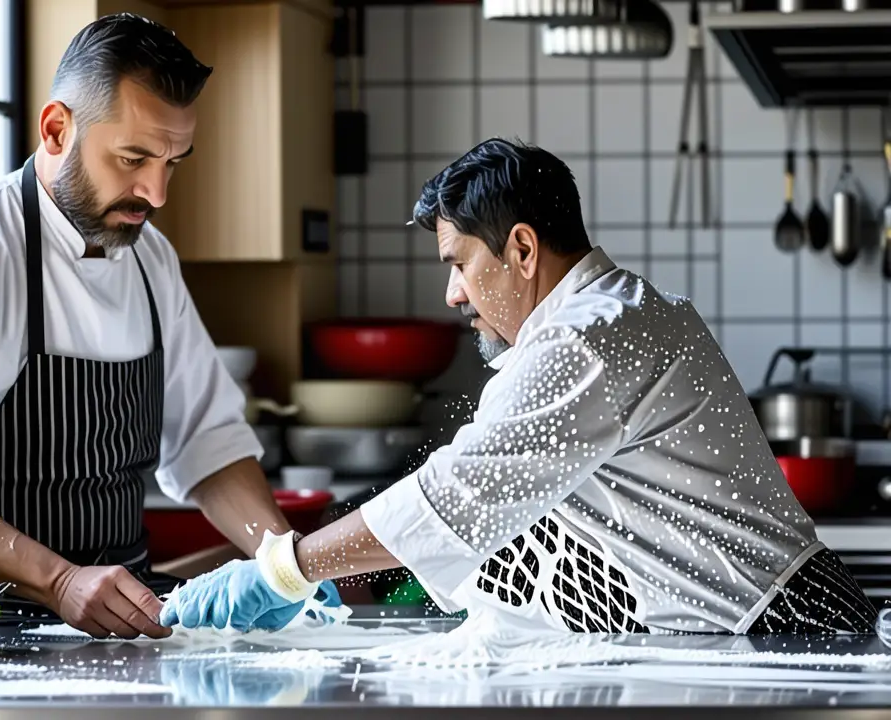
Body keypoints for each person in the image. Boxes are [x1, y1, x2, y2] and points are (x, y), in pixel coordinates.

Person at [160, 138, 877, 636]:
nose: (452, 294)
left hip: (783, 631)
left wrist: (281, 571)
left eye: (459, 263)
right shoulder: (612, 314)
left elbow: (453, 496)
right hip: (760, 625)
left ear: (523, 249)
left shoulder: (585, 340)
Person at [0, 13, 337, 641]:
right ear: (56, 129)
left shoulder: (151, 257)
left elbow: (208, 442)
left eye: (172, 163)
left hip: (127, 626)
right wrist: (59, 581)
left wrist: (285, 563)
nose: (156, 192)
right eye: (133, 158)